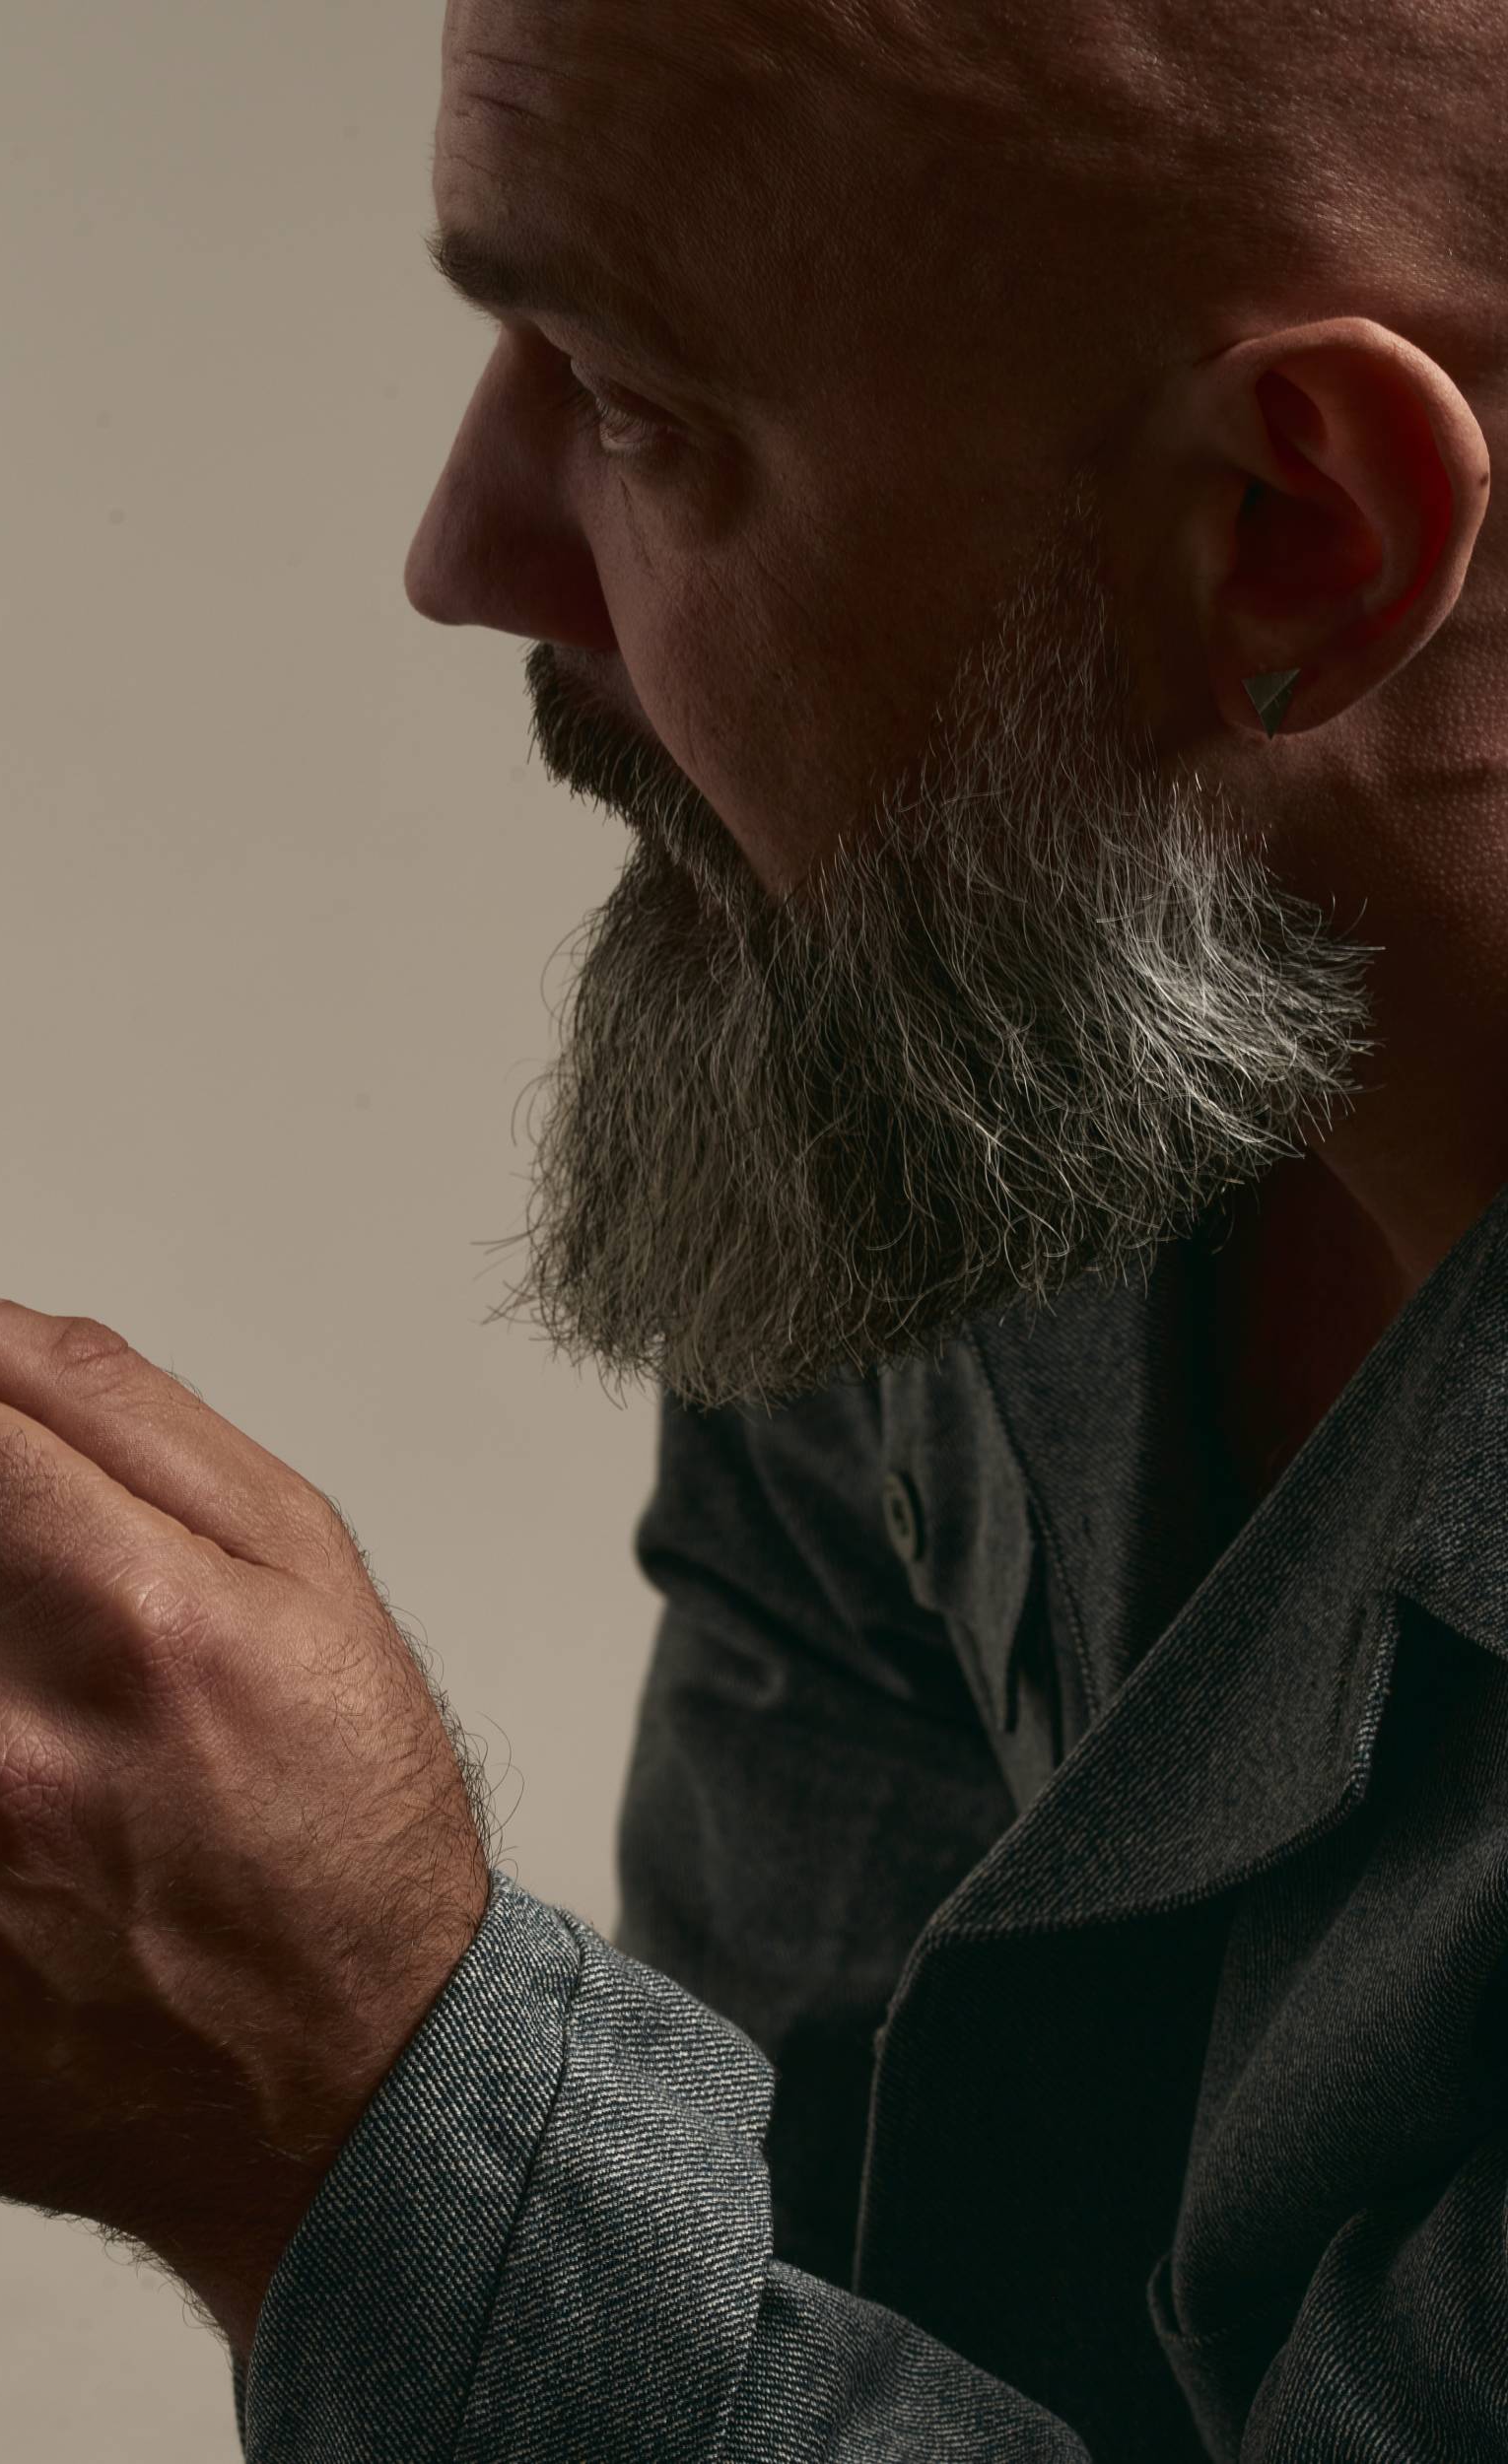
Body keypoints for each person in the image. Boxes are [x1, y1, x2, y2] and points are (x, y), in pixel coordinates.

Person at [233, 1, 1508, 2454]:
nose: (461, 550)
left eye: (633, 405)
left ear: (1294, 529)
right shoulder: (962, 1061)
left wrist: (358, 2114)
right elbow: (854, 2287)